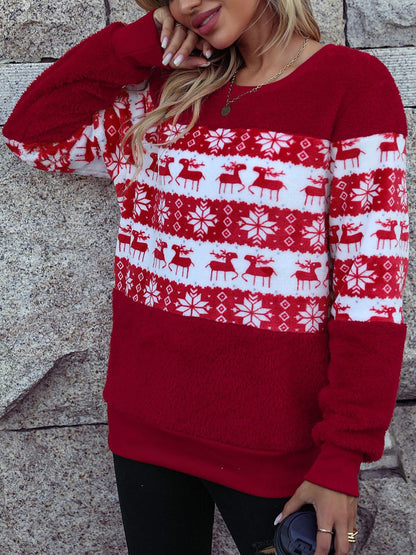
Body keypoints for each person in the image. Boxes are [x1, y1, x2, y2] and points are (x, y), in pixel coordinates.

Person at [3, 0, 408, 554]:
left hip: (280, 452)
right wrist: (136, 44)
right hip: (144, 430)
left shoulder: (353, 85)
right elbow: (32, 137)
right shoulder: (161, 93)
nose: (187, 3)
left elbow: (372, 292)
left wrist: (343, 456)